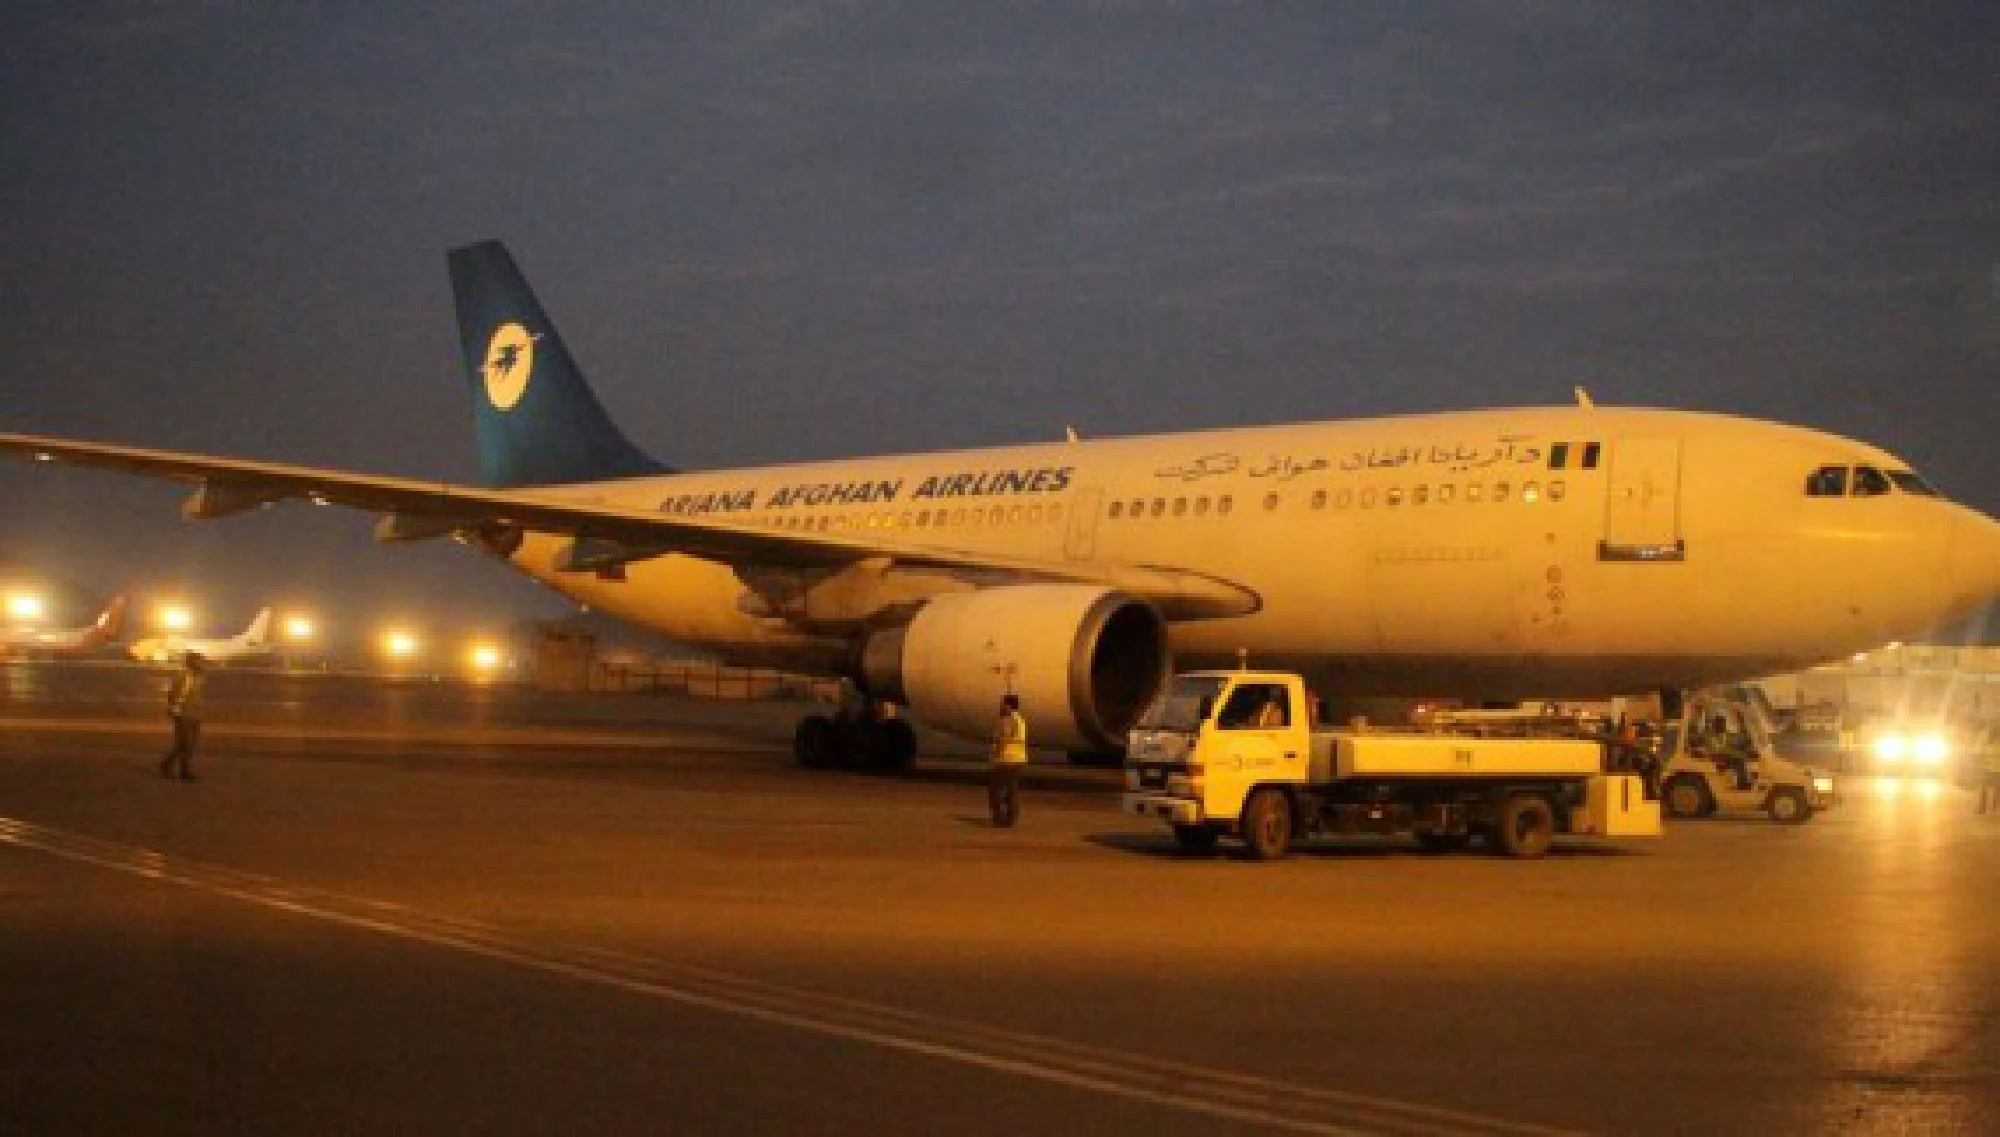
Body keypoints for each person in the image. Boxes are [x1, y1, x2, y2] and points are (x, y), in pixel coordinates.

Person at [160, 651, 206, 782]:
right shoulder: (184, 676)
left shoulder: (199, 676)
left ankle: (167, 764)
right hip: (183, 714)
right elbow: (173, 694)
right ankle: (184, 771)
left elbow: (197, 696)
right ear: (191, 662)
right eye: (199, 661)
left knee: (188, 743)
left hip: (194, 714)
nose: (202, 663)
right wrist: (173, 709)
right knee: (186, 743)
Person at [988, 693, 1028, 827]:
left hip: (1008, 759)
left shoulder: (1012, 721)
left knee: (1001, 790)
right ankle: (1006, 818)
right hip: (1010, 759)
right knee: (1008, 790)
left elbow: (1006, 738)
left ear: (1009, 705)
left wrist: (997, 750)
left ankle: (1003, 818)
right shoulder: (1013, 720)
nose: (1001, 706)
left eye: (1003, 703)